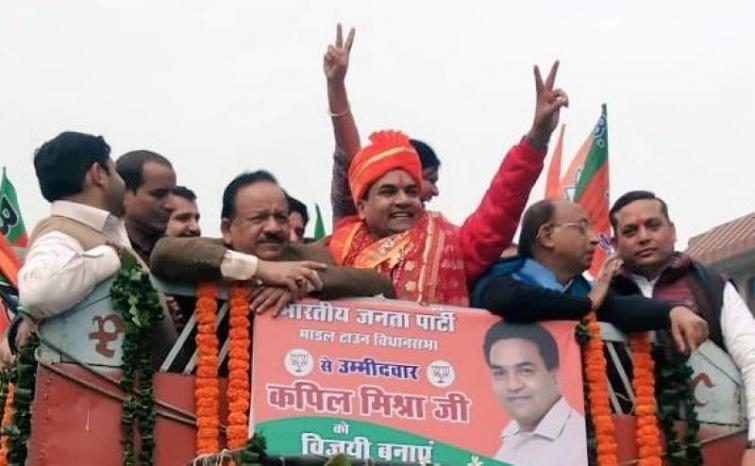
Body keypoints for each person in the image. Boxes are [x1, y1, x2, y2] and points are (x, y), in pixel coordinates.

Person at [324, 24, 567, 305]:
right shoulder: (343, 242)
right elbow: (348, 159)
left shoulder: (450, 245)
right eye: (388, 191)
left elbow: (500, 208)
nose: (403, 200)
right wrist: (336, 87)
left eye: (412, 191)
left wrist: (537, 137)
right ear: (361, 207)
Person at [609, 190, 755, 466]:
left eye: (653, 225)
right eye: (630, 231)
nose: (643, 237)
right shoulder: (606, 297)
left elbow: (752, 359)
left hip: (715, 445)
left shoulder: (712, 287)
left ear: (672, 230)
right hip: (625, 450)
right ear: (616, 244)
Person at [150, 170, 395, 316]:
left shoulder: (309, 257)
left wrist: (301, 281)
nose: (273, 228)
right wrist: (260, 269)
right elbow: (163, 252)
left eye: (281, 217)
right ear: (227, 229)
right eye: (258, 218)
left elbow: (381, 284)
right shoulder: (213, 253)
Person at [17, 132, 176, 355]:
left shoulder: (103, 230)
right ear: (98, 174)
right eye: (116, 172)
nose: (122, 183)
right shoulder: (58, 234)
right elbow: (37, 294)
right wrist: (112, 256)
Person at [472, 199, 709, 343]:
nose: (595, 239)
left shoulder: (581, 289)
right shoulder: (504, 278)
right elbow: (509, 299)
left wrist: (672, 312)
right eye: (582, 228)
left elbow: (621, 308)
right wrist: (586, 304)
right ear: (547, 236)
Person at [483, 321, 587, 466]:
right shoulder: (511, 439)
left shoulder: (578, 442)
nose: (513, 385)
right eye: (500, 373)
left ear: (555, 376)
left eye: (526, 371)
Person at [116, 150, 177, 263]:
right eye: (159, 194)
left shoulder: (177, 255)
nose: (171, 205)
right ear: (125, 193)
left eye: (173, 194)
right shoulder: (101, 248)